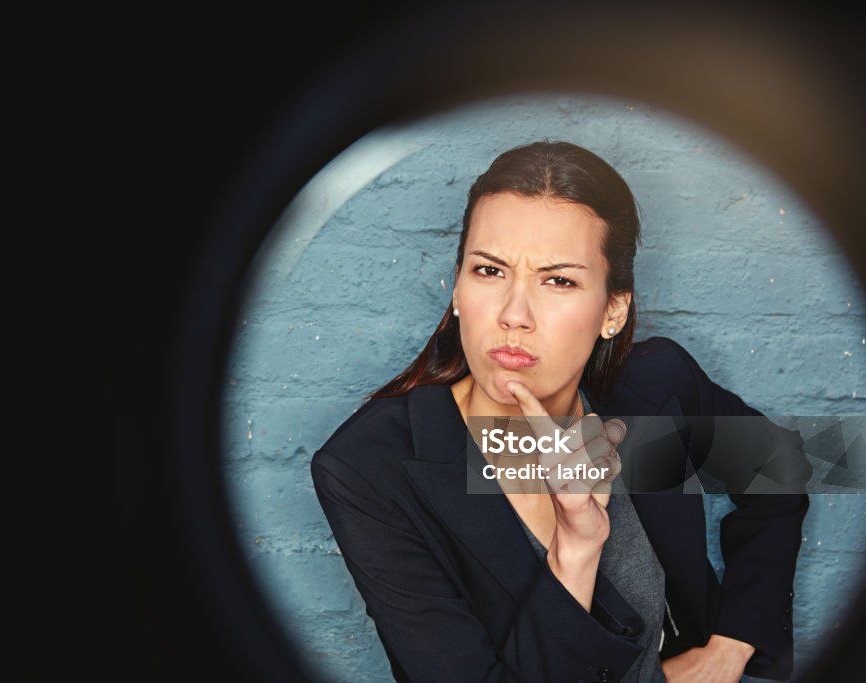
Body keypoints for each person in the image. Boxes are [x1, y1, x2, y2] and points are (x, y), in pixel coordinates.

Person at [311, 141, 810, 682]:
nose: (514, 314)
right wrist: (577, 546)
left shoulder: (649, 394)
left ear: (612, 311)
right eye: (489, 271)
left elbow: (781, 474)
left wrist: (729, 648)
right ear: (456, 287)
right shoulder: (373, 467)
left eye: (559, 280)